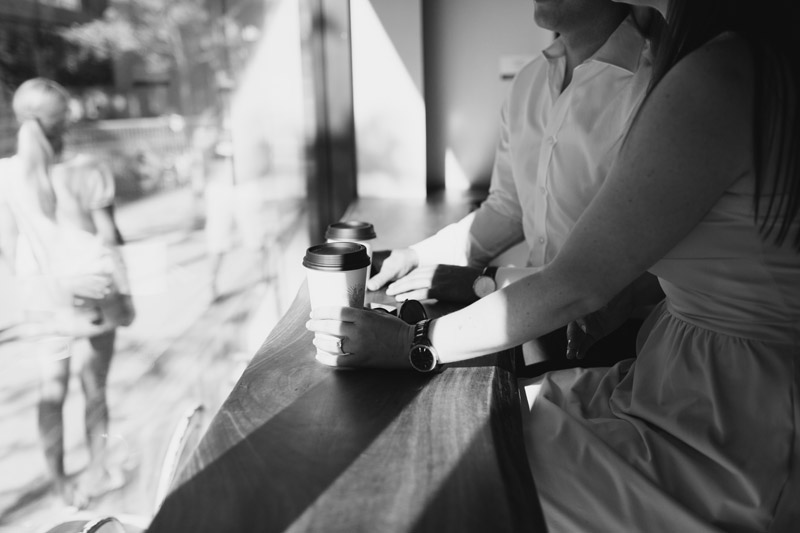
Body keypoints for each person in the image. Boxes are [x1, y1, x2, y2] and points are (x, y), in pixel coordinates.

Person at [307, 0, 800, 529]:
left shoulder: (695, 74)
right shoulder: (729, 64)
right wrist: (422, 256)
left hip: (731, 415)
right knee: (467, 436)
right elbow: (514, 212)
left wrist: (415, 343)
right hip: (659, 366)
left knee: (460, 467)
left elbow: (580, 281)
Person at [367, 0, 664, 368]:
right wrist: (419, 255)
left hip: (622, 337)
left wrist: (483, 282)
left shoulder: (652, 85)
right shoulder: (529, 81)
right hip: (531, 325)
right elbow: (508, 205)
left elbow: (641, 264)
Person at [0, 78, 135, 508]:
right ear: (64, 120)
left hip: (45, 299)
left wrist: (36, 293)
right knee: (95, 389)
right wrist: (128, 295)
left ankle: (60, 485)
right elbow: (110, 237)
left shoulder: (4, 174)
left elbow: (7, 246)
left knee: (51, 391)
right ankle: (97, 471)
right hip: (96, 291)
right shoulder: (88, 168)